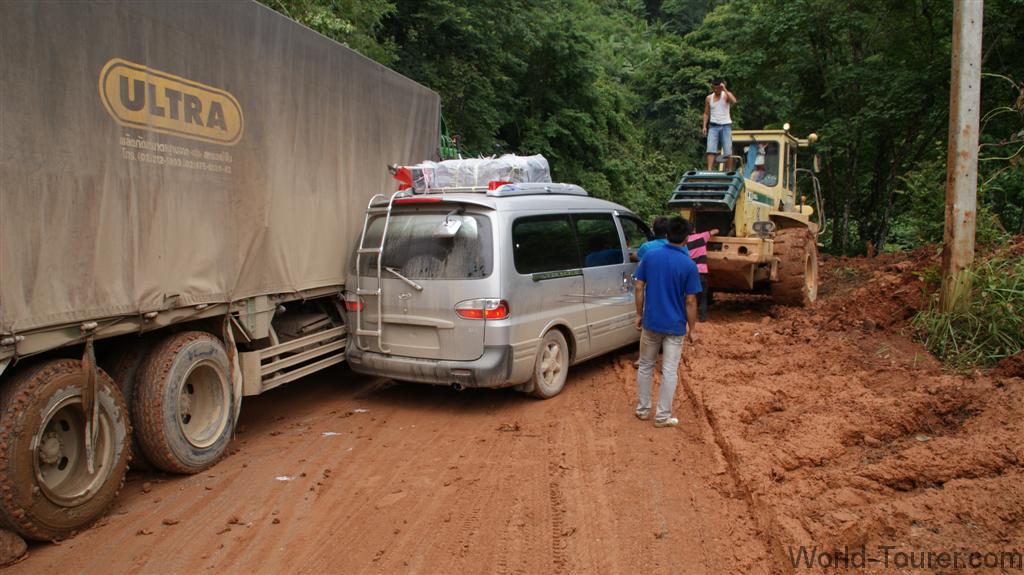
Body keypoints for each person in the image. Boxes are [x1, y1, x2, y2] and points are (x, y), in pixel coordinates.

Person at [633, 217, 702, 428]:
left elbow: (639, 287)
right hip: (675, 326)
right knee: (669, 370)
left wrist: (639, 314)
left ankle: (643, 410)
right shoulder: (689, 265)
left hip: (651, 322)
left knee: (645, 365)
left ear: (666, 233)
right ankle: (663, 416)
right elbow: (690, 301)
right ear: (686, 238)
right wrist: (693, 329)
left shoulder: (651, 256)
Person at [702, 78, 737, 171]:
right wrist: (704, 126)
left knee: (727, 150)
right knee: (710, 149)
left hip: (725, 125)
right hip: (713, 126)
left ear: (721, 87)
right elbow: (706, 113)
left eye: (718, 88)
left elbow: (734, 101)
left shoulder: (725, 95)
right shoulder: (709, 98)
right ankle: (709, 170)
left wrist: (724, 89)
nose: (716, 90)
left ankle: (729, 170)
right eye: (714, 88)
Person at [686, 227, 718, 322]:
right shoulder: (702, 237)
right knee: (703, 297)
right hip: (702, 273)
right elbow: (715, 231)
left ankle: (688, 318)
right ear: (694, 230)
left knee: (690, 296)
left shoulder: (684, 242)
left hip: (690, 273)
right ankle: (702, 318)